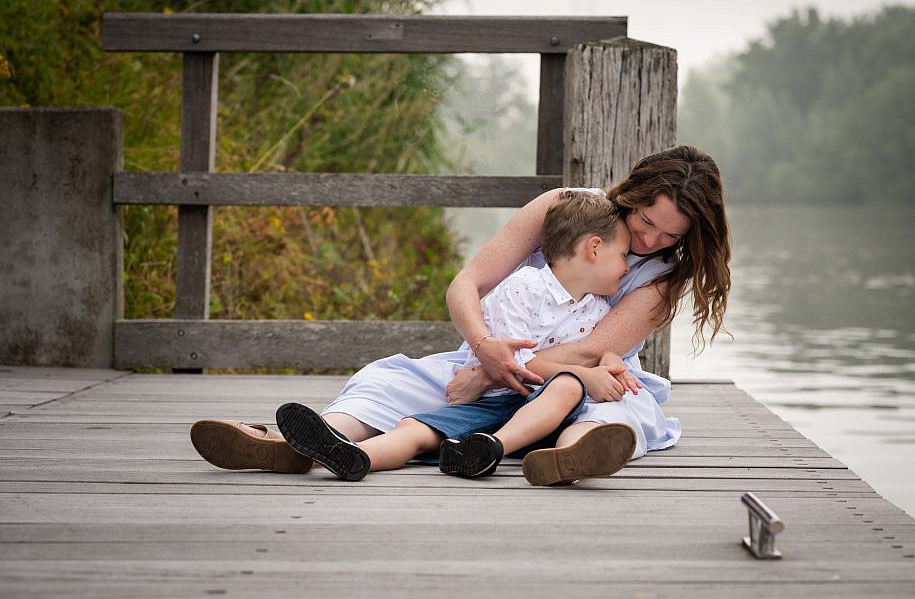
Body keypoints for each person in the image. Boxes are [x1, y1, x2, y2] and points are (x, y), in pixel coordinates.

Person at [191, 145, 731, 485]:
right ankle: (305, 442)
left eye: (670, 235)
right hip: (492, 357)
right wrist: (483, 349)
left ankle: (571, 458)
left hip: (584, 377)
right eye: (646, 220)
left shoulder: (663, 276)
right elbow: (468, 283)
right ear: (631, 194)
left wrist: (493, 371)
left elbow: (592, 351)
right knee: (394, 381)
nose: (650, 239)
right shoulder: (564, 208)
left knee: (614, 413)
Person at [269, 191, 639, 482]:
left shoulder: (596, 307)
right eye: (623, 255)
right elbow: (517, 366)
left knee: (569, 388)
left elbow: (599, 352)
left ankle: (512, 451)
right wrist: (587, 376)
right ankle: (351, 455)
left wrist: (609, 363)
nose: (627, 267)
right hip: (497, 400)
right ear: (593, 248)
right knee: (415, 430)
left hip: (541, 416)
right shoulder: (524, 288)